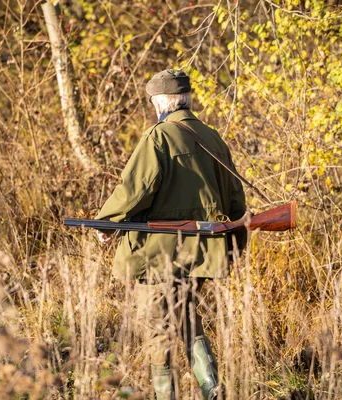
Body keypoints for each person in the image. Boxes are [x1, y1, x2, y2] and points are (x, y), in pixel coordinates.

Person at [95, 69, 247, 400]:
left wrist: (106, 222)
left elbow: (135, 189)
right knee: (187, 317)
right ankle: (212, 389)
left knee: (156, 329)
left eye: (153, 103)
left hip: (160, 254)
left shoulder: (159, 136)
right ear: (187, 100)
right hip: (203, 251)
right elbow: (236, 201)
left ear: (161, 103)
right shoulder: (212, 137)